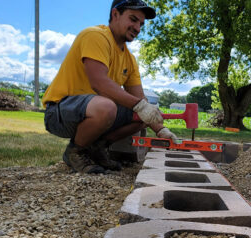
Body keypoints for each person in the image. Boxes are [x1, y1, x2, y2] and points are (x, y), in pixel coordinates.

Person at [42, 0, 177, 173]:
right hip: (59, 112)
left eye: (141, 24)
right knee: (108, 107)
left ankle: (97, 148)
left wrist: (161, 129)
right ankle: (75, 152)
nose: (137, 28)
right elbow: (99, 83)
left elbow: (141, 101)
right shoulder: (95, 36)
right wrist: (140, 106)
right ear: (115, 14)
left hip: (95, 111)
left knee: (143, 116)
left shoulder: (129, 59)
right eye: (133, 19)